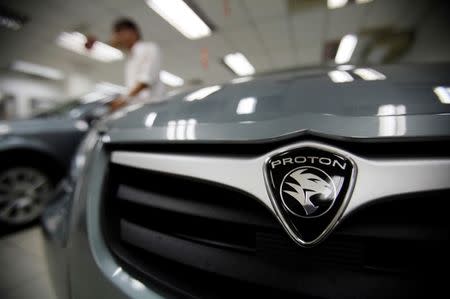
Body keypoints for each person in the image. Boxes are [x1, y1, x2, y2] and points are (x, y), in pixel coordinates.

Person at [86, 18, 164, 110]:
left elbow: (146, 80)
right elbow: (112, 43)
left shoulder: (149, 48)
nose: (117, 38)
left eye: (119, 34)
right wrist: (97, 42)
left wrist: (122, 100)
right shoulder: (131, 59)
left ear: (131, 32)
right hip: (138, 108)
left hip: (152, 106)